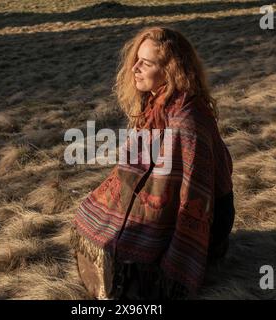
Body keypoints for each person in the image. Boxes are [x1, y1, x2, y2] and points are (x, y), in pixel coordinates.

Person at [70, 26, 235, 300]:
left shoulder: (187, 120)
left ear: (170, 70)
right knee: (90, 217)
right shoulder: (158, 104)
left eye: (145, 63)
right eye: (135, 59)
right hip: (174, 202)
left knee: (128, 257)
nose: (134, 67)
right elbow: (134, 169)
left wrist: (174, 251)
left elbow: (194, 197)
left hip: (208, 219)